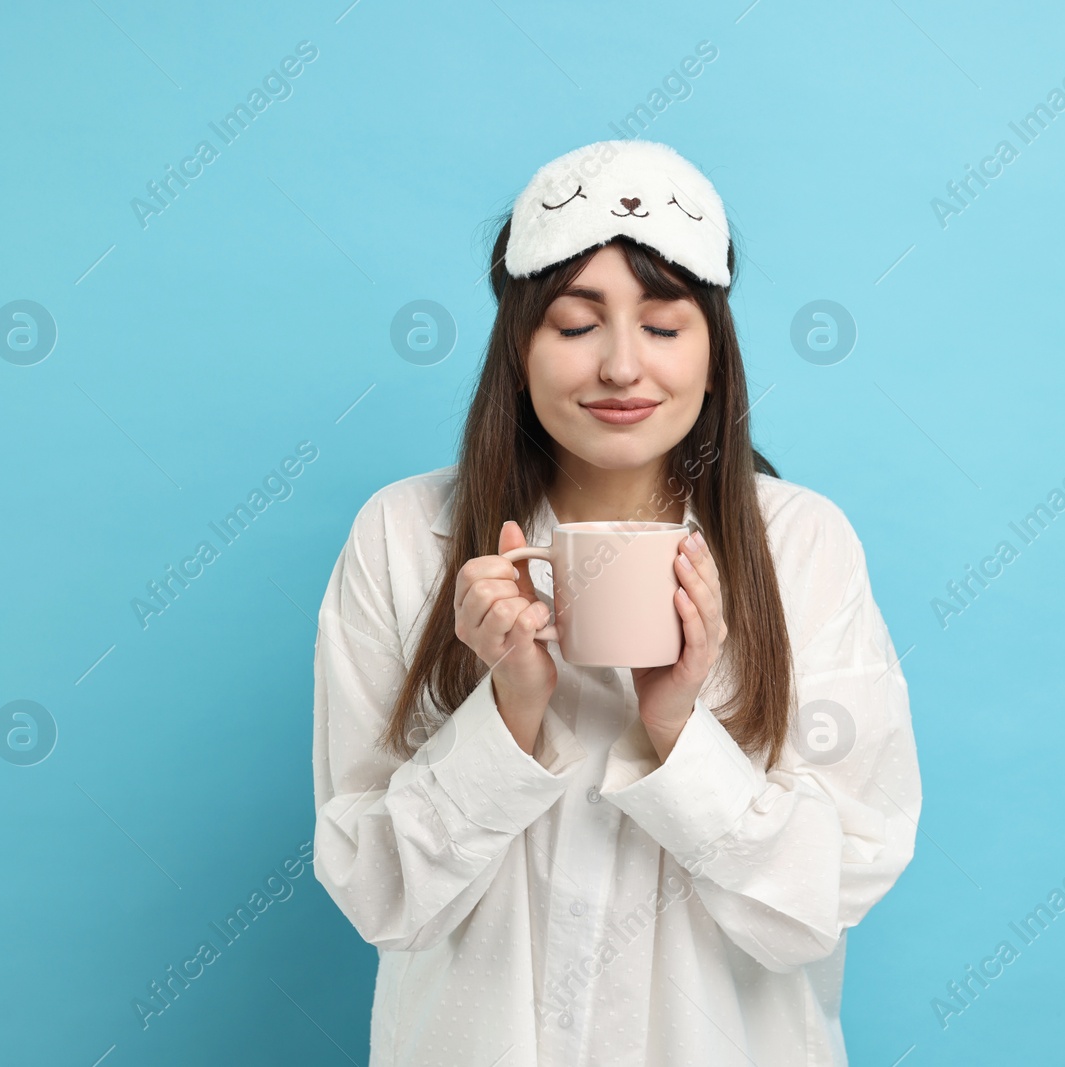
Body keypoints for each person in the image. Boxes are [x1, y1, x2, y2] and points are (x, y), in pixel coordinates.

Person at [311, 139, 921, 1066]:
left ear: (716, 358)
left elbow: (825, 894)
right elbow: (377, 891)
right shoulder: (403, 536)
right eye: (575, 324)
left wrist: (677, 723)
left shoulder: (799, 545)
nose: (622, 368)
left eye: (667, 327)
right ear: (518, 352)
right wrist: (509, 709)